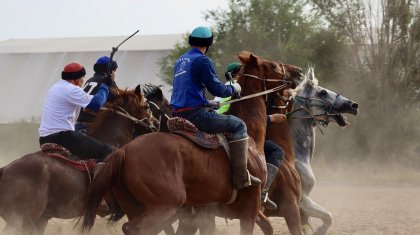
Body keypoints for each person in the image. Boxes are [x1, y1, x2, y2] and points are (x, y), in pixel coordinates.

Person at [170, 26, 261, 190]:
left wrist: (208, 102)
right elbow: (218, 89)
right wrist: (235, 88)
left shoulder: (180, 61)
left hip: (177, 114)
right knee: (239, 125)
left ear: (191, 41)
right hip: (195, 115)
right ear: (209, 43)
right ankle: (240, 176)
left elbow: (187, 89)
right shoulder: (202, 60)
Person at [216, 62, 286, 210]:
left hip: (219, 128)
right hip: (235, 132)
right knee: (276, 151)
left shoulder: (222, 88)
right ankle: (262, 192)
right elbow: (246, 119)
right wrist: (271, 119)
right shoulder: (240, 87)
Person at [39, 62, 114, 163]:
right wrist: (105, 86)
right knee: (107, 151)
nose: (83, 80)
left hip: (44, 138)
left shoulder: (55, 87)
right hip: (62, 138)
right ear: (76, 79)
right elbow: (97, 103)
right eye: (82, 77)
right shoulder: (72, 89)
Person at [75, 56, 118, 133]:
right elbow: (118, 100)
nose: (115, 74)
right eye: (114, 70)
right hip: (92, 128)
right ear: (109, 72)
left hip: (78, 125)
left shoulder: (89, 80)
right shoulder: (108, 83)